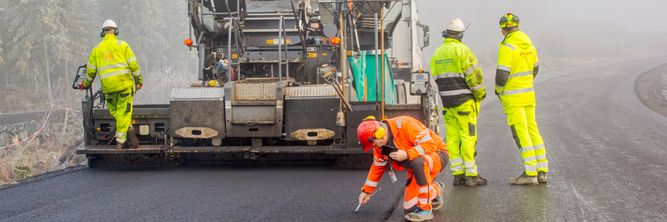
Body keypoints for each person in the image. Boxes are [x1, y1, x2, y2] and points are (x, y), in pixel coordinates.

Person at [357, 116, 448, 222]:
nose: (375, 148)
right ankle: (435, 189)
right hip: (415, 167)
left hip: (438, 154)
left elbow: (430, 144)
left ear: (381, 135)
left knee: (418, 162)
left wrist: (407, 154)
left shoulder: (406, 125)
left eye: (374, 144)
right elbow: (377, 167)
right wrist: (367, 191)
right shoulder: (379, 146)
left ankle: (426, 210)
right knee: (410, 209)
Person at [430, 18, 487, 187]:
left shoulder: (437, 53)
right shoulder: (463, 51)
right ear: (460, 34)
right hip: (464, 102)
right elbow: (475, 77)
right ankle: (471, 175)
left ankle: (458, 175)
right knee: (468, 137)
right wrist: (480, 94)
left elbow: (436, 77)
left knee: (453, 140)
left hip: (447, 104)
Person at [495, 13, 548, 185]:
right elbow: (535, 68)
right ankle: (542, 171)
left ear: (503, 29)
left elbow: (502, 76)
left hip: (513, 98)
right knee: (533, 130)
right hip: (529, 94)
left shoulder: (506, 47)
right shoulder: (529, 44)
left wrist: (498, 90)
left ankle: (530, 173)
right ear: (517, 26)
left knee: (521, 133)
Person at [80, 19, 143, 149]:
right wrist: (139, 81)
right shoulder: (123, 45)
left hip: (108, 90)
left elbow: (90, 72)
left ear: (103, 33)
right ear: (116, 31)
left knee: (115, 111)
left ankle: (127, 127)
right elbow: (134, 66)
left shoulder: (96, 50)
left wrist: (85, 84)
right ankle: (121, 141)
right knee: (124, 113)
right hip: (124, 86)